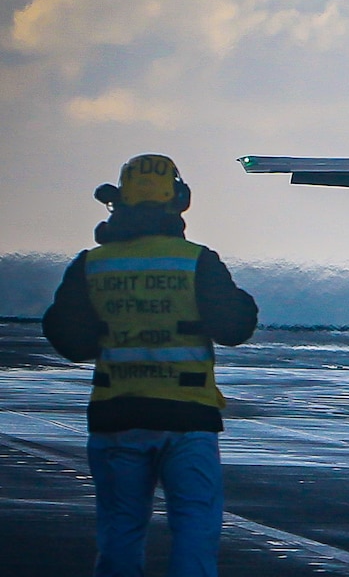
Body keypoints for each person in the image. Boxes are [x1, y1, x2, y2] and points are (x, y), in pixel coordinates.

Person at [43, 154, 258, 577]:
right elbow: (236, 326)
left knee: (120, 530)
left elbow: (69, 341)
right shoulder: (196, 261)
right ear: (178, 200)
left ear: (117, 202)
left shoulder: (92, 265)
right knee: (195, 525)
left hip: (117, 414)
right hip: (188, 417)